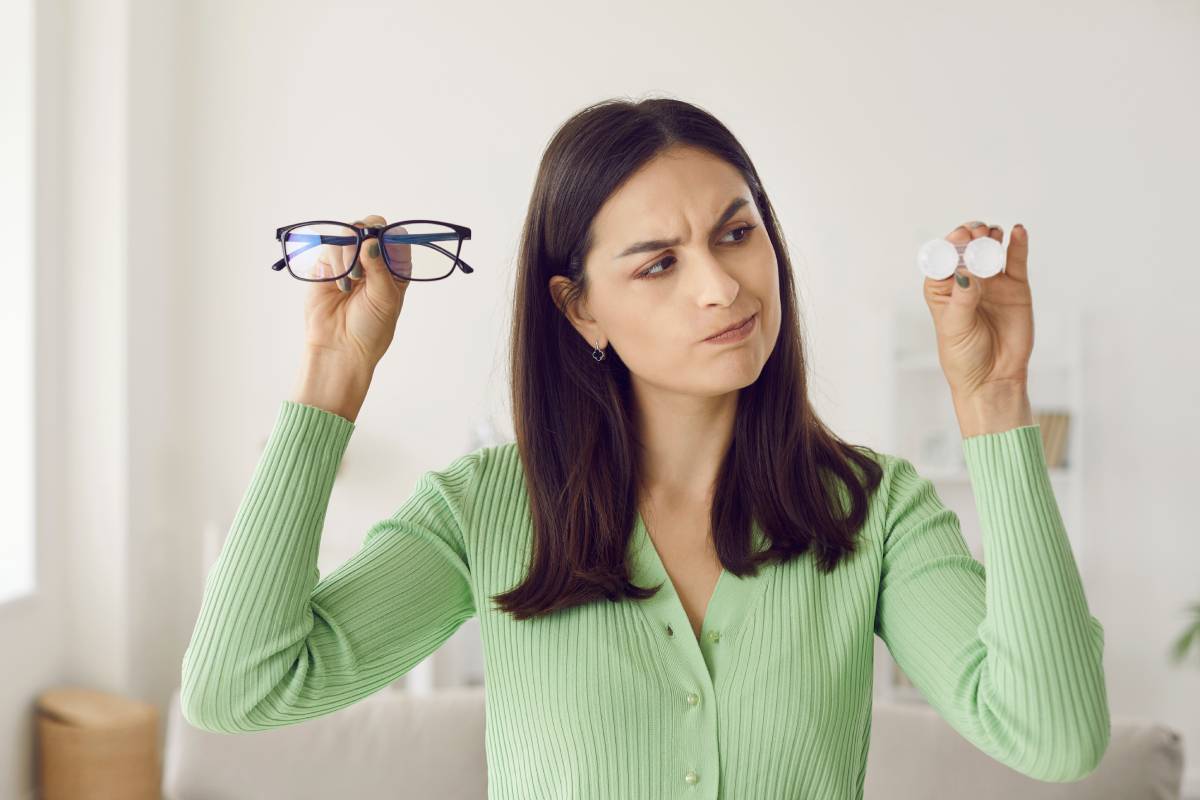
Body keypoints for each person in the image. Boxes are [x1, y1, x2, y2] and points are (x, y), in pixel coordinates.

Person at [180, 97, 1109, 799]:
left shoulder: (874, 511)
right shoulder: (485, 511)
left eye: (736, 234)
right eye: (659, 262)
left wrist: (994, 403)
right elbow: (241, 690)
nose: (721, 287)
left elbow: (1054, 735)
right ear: (579, 307)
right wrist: (332, 377)